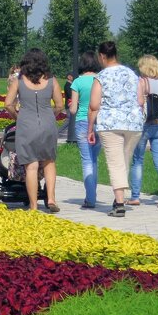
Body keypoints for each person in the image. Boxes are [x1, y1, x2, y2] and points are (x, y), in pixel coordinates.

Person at [87, 40, 143, 218]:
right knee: (124, 161)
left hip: (110, 123)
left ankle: (119, 203)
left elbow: (94, 105)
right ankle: (119, 196)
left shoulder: (101, 77)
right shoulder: (132, 74)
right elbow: (140, 100)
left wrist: (89, 128)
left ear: (102, 56)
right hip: (133, 123)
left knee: (115, 162)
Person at [5, 48, 63, 213]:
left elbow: (8, 103)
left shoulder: (19, 81)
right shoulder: (52, 80)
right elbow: (60, 105)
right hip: (48, 123)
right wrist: (50, 115)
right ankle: (51, 199)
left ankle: (33, 205)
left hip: (26, 124)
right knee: (49, 162)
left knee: (31, 165)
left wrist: (17, 116)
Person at [131, 54, 158, 208]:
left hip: (145, 124)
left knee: (138, 160)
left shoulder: (142, 81)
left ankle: (135, 196)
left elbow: (139, 103)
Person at [69, 52, 102, 208]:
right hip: (99, 121)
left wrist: (71, 106)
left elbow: (74, 109)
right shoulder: (100, 79)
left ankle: (90, 198)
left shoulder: (77, 82)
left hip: (83, 121)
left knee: (87, 161)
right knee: (94, 160)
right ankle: (92, 194)